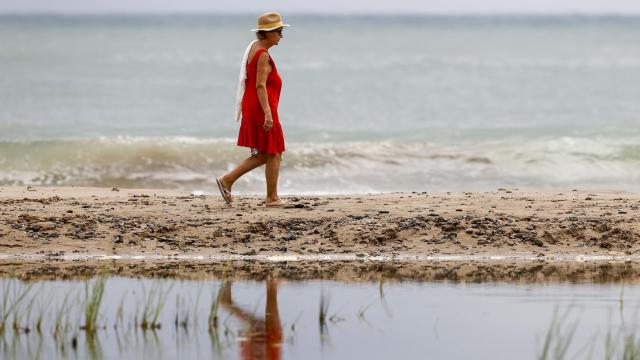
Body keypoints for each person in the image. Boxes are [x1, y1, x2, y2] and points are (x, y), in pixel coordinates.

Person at [216, 12, 289, 208]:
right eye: (279, 32)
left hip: (254, 106)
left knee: (267, 153)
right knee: (273, 152)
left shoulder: (254, 48)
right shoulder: (262, 55)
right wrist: (268, 113)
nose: (282, 36)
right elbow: (260, 86)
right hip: (261, 108)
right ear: (268, 33)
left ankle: (228, 181)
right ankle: (271, 198)